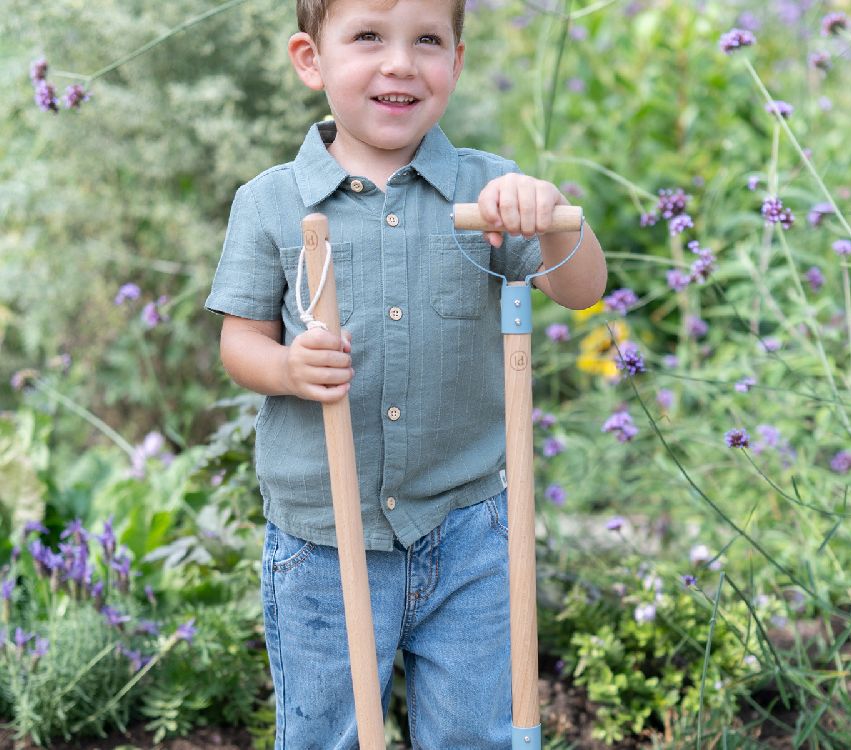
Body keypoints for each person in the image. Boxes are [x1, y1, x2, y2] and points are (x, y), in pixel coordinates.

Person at [205, 0, 607, 746]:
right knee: (328, 731)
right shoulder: (269, 203)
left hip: (468, 527)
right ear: (310, 59)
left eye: (427, 39)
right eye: (368, 37)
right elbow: (240, 344)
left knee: (474, 731)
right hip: (324, 535)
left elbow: (581, 290)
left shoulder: (493, 192)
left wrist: (554, 215)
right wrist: (289, 366)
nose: (400, 63)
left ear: (456, 60)